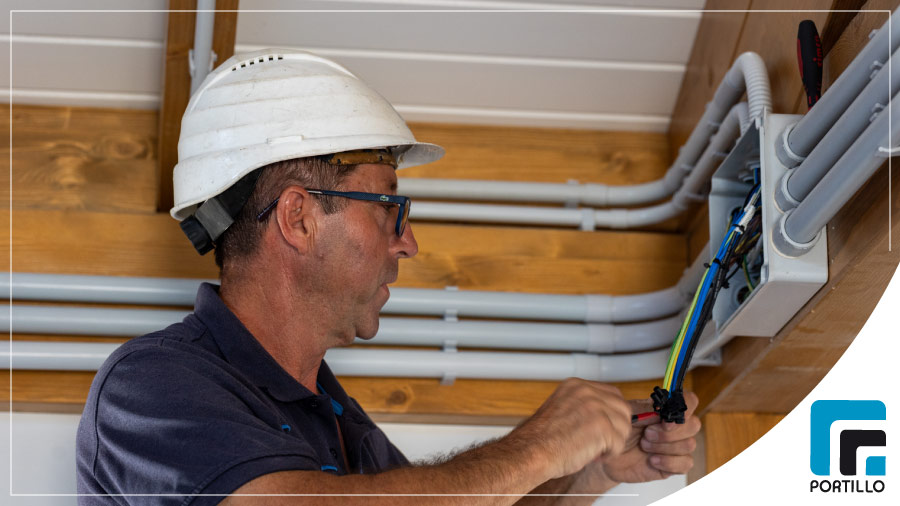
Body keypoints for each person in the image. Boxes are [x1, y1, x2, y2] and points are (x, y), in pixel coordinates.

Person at [75, 49, 701, 505]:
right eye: (389, 208)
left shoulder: (340, 425)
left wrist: (586, 471)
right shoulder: (151, 386)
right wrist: (539, 447)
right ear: (298, 218)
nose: (409, 242)